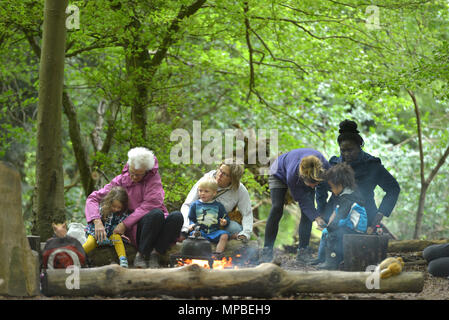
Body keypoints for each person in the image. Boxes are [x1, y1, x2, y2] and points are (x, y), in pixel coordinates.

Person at [85, 147, 184, 268]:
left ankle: (156, 253)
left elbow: (149, 206)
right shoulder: (121, 179)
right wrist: (97, 221)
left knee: (177, 216)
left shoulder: (154, 181)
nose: (133, 177)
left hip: (155, 221)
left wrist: (124, 224)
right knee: (156, 215)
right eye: (131, 173)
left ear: (146, 171)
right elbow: (93, 198)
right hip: (139, 228)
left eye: (138, 175)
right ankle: (141, 255)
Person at [317, 120, 400, 234]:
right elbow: (321, 186)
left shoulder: (372, 165)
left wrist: (379, 215)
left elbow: (393, 188)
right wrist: (321, 212)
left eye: (350, 150)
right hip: (335, 217)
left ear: (359, 146)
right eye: (343, 150)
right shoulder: (334, 164)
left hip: (365, 217)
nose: (346, 154)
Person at [261, 148, 330, 263]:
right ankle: (267, 250)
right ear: (303, 178)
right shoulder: (293, 175)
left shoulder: (324, 166)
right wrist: (317, 218)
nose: (313, 187)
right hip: (278, 172)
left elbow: (333, 186)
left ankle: (303, 252)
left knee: (307, 214)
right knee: (277, 207)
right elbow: (303, 201)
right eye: (311, 184)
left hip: (304, 174)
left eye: (316, 184)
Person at [181, 159, 253, 241]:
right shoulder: (206, 180)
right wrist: (187, 226)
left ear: (232, 179)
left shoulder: (239, 189)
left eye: (225, 174)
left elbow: (247, 213)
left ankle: (221, 240)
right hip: (199, 221)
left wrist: (245, 233)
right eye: (220, 170)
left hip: (220, 224)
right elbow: (187, 205)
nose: (220, 175)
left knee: (236, 229)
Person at [315, 163, 368, 270]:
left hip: (354, 230)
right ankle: (321, 259)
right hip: (348, 226)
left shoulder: (349, 198)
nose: (332, 190)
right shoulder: (346, 195)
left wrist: (329, 228)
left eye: (332, 187)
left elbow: (341, 217)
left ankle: (332, 262)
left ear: (339, 184)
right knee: (327, 232)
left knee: (332, 234)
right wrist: (328, 228)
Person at [83, 186, 130, 268]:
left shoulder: (123, 214)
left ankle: (123, 259)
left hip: (111, 236)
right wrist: (100, 237)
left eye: (119, 207)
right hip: (96, 234)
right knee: (90, 243)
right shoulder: (102, 209)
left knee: (117, 238)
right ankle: (76, 255)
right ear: (109, 202)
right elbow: (94, 226)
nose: (115, 209)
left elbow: (120, 227)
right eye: (114, 206)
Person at [187, 177, 230, 256]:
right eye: (200, 190)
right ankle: (197, 254)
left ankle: (218, 254)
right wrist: (191, 224)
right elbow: (191, 218)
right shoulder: (195, 205)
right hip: (200, 232)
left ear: (214, 193)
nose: (202, 193)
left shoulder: (218, 206)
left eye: (206, 191)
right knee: (194, 235)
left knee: (224, 235)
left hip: (214, 232)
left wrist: (225, 222)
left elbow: (225, 217)